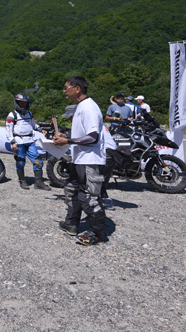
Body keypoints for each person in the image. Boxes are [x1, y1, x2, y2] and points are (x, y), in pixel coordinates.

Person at [53, 76, 109, 246]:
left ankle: (96, 232)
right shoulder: (79, 107)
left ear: (77, 89)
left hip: (90, 160)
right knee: (71, 190)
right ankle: (71, 223)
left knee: (89, 197)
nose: (64, 91)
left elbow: (93, 137)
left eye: (66, 87)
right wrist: (67, 136)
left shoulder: (89, 108)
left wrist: (67, 142)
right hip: (79, 159)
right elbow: (83, 133)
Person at [6, 93, 51, 191]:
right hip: (18, 141)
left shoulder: (29, 114)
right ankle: (22, 181)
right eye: (21, 103)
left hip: (30, 140)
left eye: (25, 103)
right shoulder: (12, 115)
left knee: (38, 162)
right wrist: (12, 142)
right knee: (20, 162)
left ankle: (38, 183)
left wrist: (41, 129)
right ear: (17, 103)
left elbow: (34, 126)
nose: (23, 105)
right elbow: (8, 130)